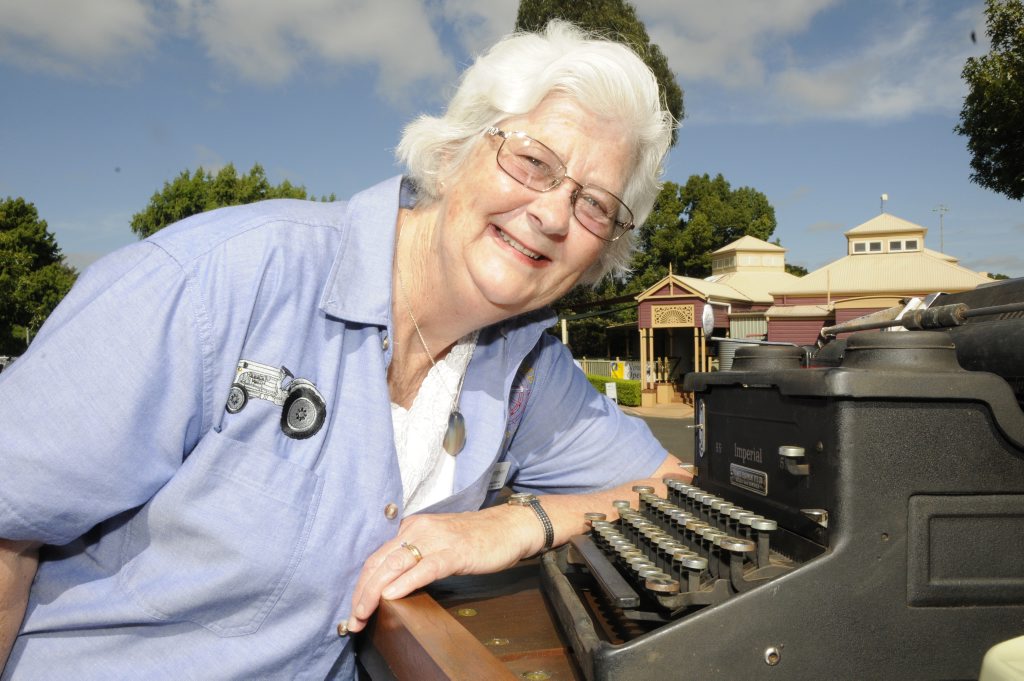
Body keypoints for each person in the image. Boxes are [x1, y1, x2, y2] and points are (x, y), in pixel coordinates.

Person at [0, 21, 683, 680]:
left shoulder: (528, 370)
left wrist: (513, 524)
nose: (555, 214)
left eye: (595, 204)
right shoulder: (225, 279)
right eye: (534, 161)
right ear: (455, 150)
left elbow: (676, 491)